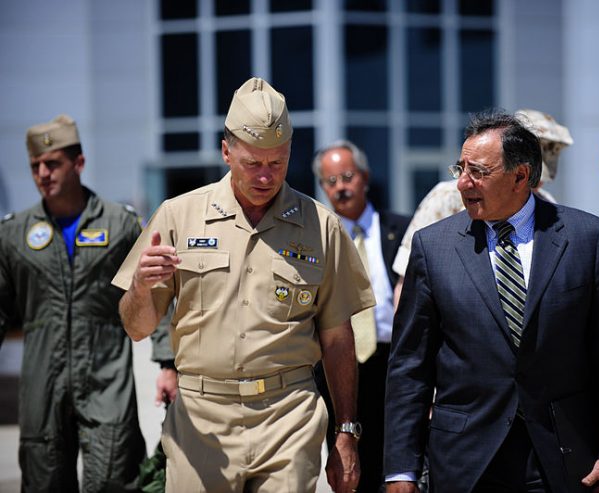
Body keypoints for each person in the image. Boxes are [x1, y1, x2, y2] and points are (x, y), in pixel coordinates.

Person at [112, 78, 375, 493]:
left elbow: (337, 338)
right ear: (226, 151)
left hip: (289, 418)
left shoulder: (321, 227)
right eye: (253, 163)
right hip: (201, 421)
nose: (266, 176)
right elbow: (137, 327)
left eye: (278, 162)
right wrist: (142, 288)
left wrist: (346, 432)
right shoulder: (177, 216)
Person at [384, 110, 599, 493]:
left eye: (479, 172)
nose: (463, 184)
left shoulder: (588, 238)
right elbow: (409, 368)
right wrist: (401, 470)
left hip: (562, 458)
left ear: (521, 176)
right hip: (465, 462)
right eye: (461, 168)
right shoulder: (432, 247)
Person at [0, 114, 173, 491]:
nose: (42, 173)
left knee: (112, 477)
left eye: (52, 163)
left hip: (105, 380)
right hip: (41, 386)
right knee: (43, 479)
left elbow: (159, 293)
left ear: (78, 163)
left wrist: (169, 362)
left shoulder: (119, 224)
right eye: (35, 166)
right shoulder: (14, 233)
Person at [391, 108, 573, 306]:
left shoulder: (548, 206)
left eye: (537, 182)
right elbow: (408, 284)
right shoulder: (446, 197)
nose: (531, 189)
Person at [312, 140, 411, 492]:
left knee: (397, 469)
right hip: (336, 368)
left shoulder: (403, 229)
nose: (340, 187)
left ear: (365, 177)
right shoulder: (314, 240)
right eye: (331, 181)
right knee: (348, 471)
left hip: (390, 365)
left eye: (348, 176)